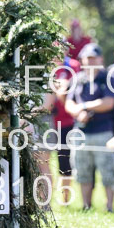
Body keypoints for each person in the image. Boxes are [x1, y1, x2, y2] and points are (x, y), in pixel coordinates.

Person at [65, 43, 114, 212]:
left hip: (103, 132)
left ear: (100, 59)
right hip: (81, 132)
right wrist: (78, 113)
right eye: (87, 58)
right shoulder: (77, 79)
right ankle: (86, 206)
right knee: (82, 171)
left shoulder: (108, 77)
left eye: (93, 57)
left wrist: (85, 107)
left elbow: (109, 102)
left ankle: (109, 206)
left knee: (108, 171)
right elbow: (69, 102)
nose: (90, 61)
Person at [43, 61, 76, 205]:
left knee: (65, 162)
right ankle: (46, 199)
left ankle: (65, 199)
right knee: (45, 161)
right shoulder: (43, 67)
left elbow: (69, 93)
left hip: (66, 122)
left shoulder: (72, 66)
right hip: (47, 122)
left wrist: (61, 88)